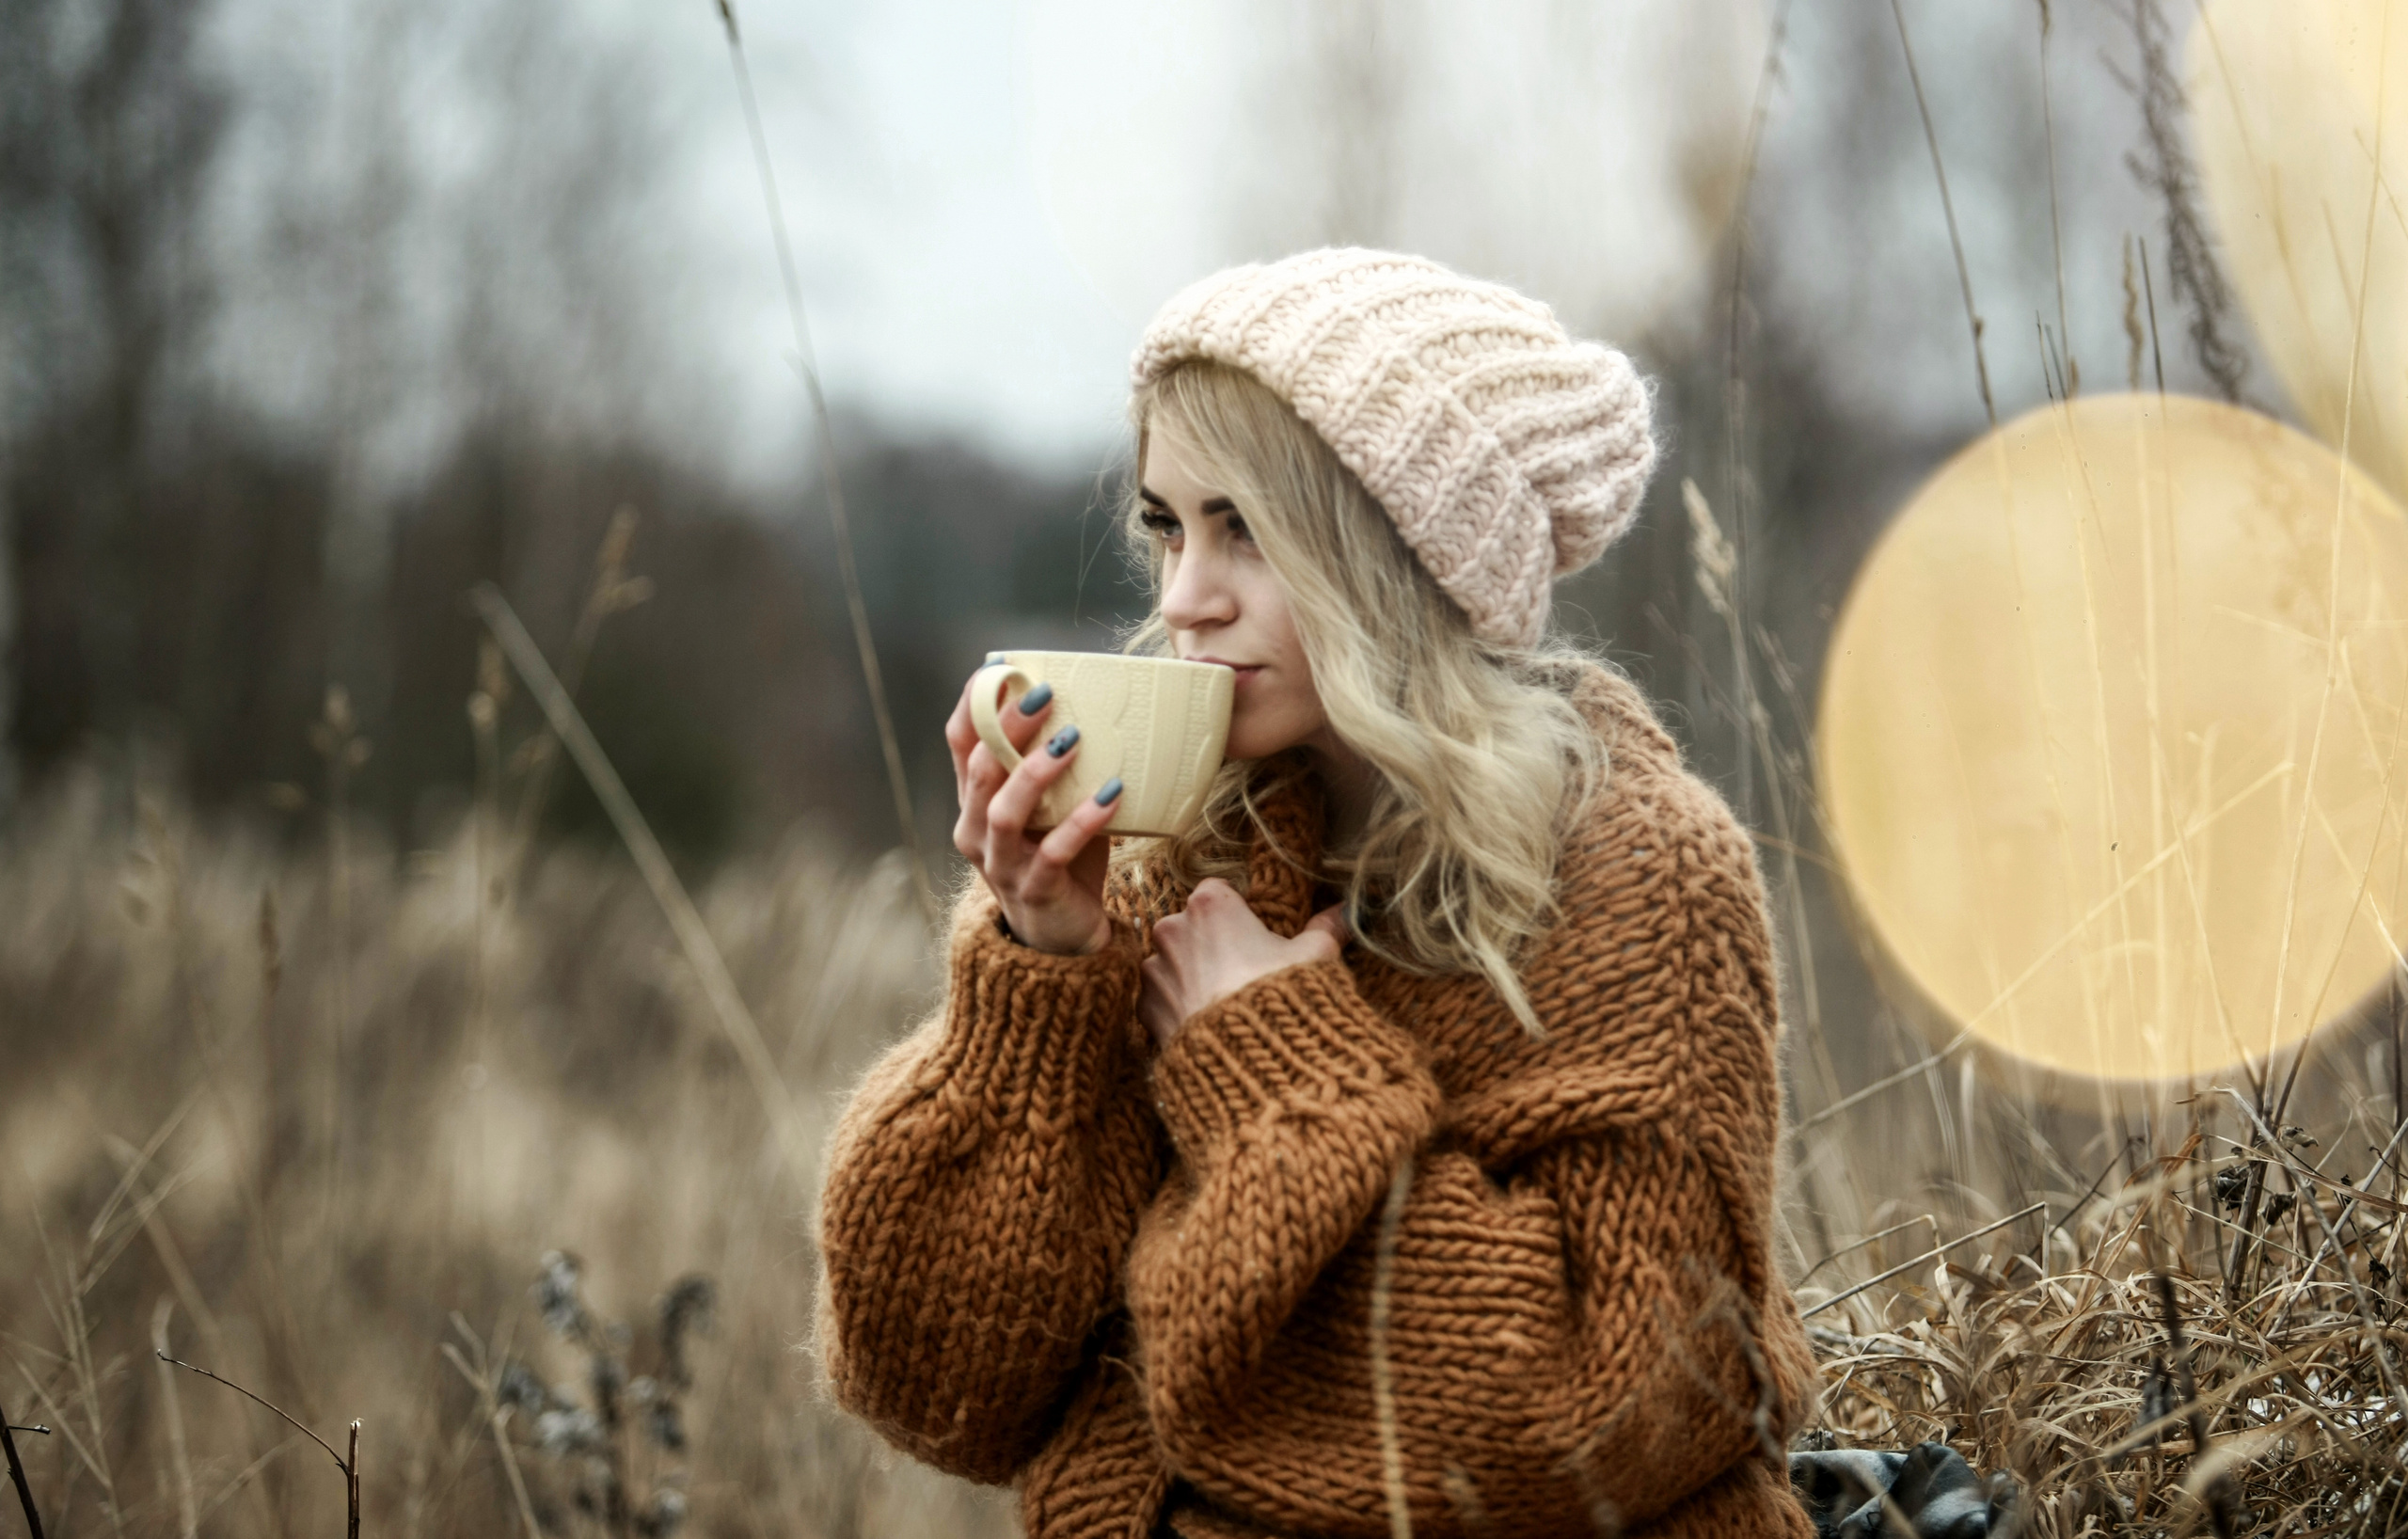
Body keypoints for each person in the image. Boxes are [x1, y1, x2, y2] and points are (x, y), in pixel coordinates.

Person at [813, 247, 1820, 1539]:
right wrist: (1042, 973)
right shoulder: (1167, 864)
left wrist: (1274, 1065)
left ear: (1408, 554)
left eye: (1249, 529)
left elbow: (1612, 1414)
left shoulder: (1640, 880)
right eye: (1168, 525)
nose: (1183, 598)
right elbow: (940, 1388)